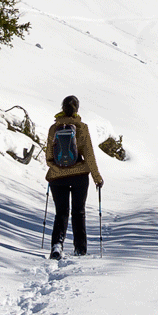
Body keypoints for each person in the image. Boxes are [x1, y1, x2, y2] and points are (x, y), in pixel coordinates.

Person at [43, 93, 104, 258]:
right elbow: (89, 156)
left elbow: (49, 156)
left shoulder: (53, 128)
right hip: (79, 176)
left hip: (57, 177)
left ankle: (57, 245)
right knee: (78, 212)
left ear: (62, 109)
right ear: (77, 109)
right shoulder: (82, 127)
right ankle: (80, 249)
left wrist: (55, 168)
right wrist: (97, 178)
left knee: (61, 212)